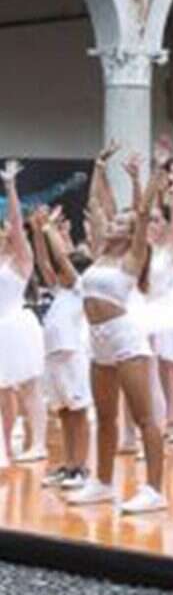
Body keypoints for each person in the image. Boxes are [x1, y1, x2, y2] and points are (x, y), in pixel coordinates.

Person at [67, 146, 167, 513]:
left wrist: (150, 176)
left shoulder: (132, 257)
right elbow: (95, 204)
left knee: (144, 418)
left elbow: (142, 215)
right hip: (98, 341)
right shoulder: (98, 254)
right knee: (105, 417)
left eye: (121, 223)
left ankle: (155, 489)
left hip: (126, 339)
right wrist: (98, 165)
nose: (113, 224)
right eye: (115, 221)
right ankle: (103, 482)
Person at [26, 205, 91, 489]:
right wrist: (37, 231)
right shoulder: (60, 290)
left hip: (72, 357)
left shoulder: (81, 288)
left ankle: (81, 467)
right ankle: (69, 465)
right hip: (52, 359)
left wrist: (49, 228)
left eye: (65, 269)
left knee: (78, 412)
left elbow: (61, 260)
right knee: (64, 412)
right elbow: (42, 262)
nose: (58, 272)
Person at [0, 161, 47, 465]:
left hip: (15, 325)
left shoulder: (20, 260)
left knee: (29, 386)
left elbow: (17, 224)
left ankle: (39, 443)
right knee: (2, 390)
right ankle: (4, 445)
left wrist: (11, 187)